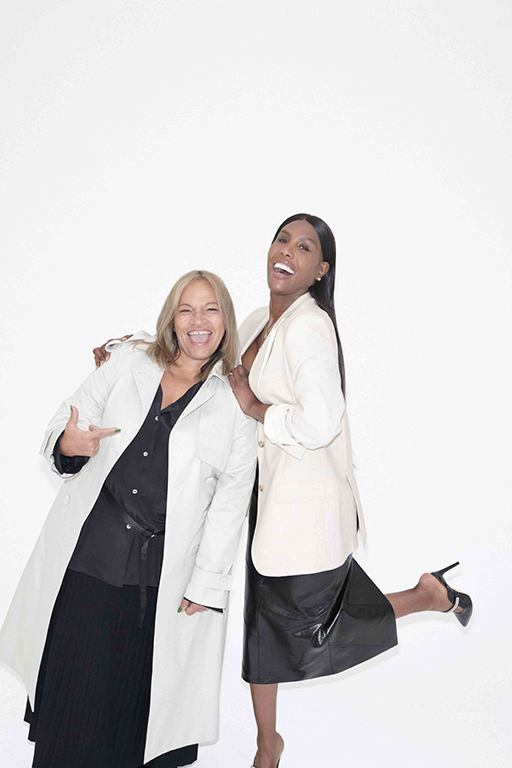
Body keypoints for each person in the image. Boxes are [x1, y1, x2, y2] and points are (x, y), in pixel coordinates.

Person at [92, 215, 473, 768]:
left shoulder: (309, 328)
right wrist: (134, 350)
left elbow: (321, 421)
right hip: (262, 504)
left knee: (313, 629)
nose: (287, 252)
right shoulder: (258, 320)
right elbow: (208, 360)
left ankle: (427, 596)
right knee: (261, 631)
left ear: (320, 270)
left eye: (304, 247)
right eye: (282, 240)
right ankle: (267, 744)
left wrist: (256, 409)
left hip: (304, 511)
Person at [0, 270, 257, 768]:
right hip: (85, 567)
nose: (198, 321)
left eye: (210, 310)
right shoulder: (127, 362)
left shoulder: (234, 408)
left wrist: (205, 583)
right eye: (186, 309)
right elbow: (65, 421)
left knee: (130, 730)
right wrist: (69, 443)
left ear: (225, 321)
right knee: (69, 717)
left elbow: (230, 506)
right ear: (171, 319)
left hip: (158, 589)